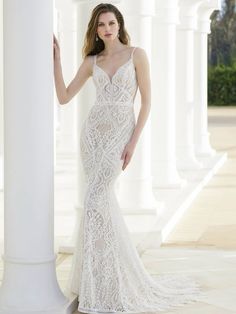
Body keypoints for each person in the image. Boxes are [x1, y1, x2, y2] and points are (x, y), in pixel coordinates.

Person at [53, 3, 205, 313]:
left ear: (119, 25)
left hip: (119, 136)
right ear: (96, 30)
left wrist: (133, 142)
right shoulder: (92, 61)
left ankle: (108, 280)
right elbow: (64, 96)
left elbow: (147, 102)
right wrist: (55, 60)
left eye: (111, 22)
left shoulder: (137, 55)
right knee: (97, 204)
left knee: (97, 200)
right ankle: (96, 280)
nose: (106, 28)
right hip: (92, 137)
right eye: (101, 25)